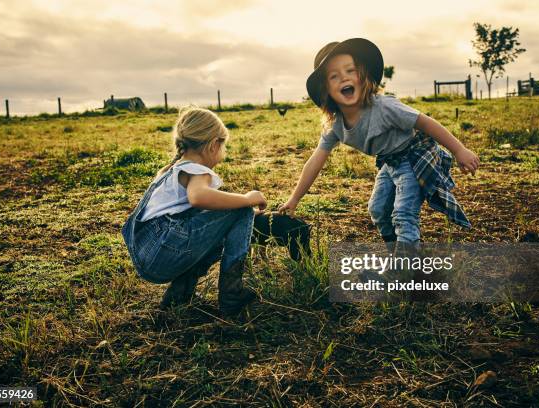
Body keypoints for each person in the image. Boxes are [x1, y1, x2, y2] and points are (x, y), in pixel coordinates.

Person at [279, 38, 479, 250]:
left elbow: (425, 122)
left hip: (413, 157)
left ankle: (405, 269)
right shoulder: (334, 125)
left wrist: (459, 150)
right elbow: (314, 162)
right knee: (378, 210)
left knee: (403, 214)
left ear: (363, 75)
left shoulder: (384, 107)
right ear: (325, 89)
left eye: (350, 70)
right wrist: (294, 199)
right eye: (334, 76)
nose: (344, 78)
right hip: (389, 163)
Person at [121, 107, 267, 315]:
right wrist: (246, 200)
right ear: (214, 145)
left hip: (146, 253)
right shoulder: (197, 170)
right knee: (241, 211)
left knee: (219, 224)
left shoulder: (171, 170)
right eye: (223, 146)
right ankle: (232, 293)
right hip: (165, 247)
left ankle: (179, 294)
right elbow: (198, 197)